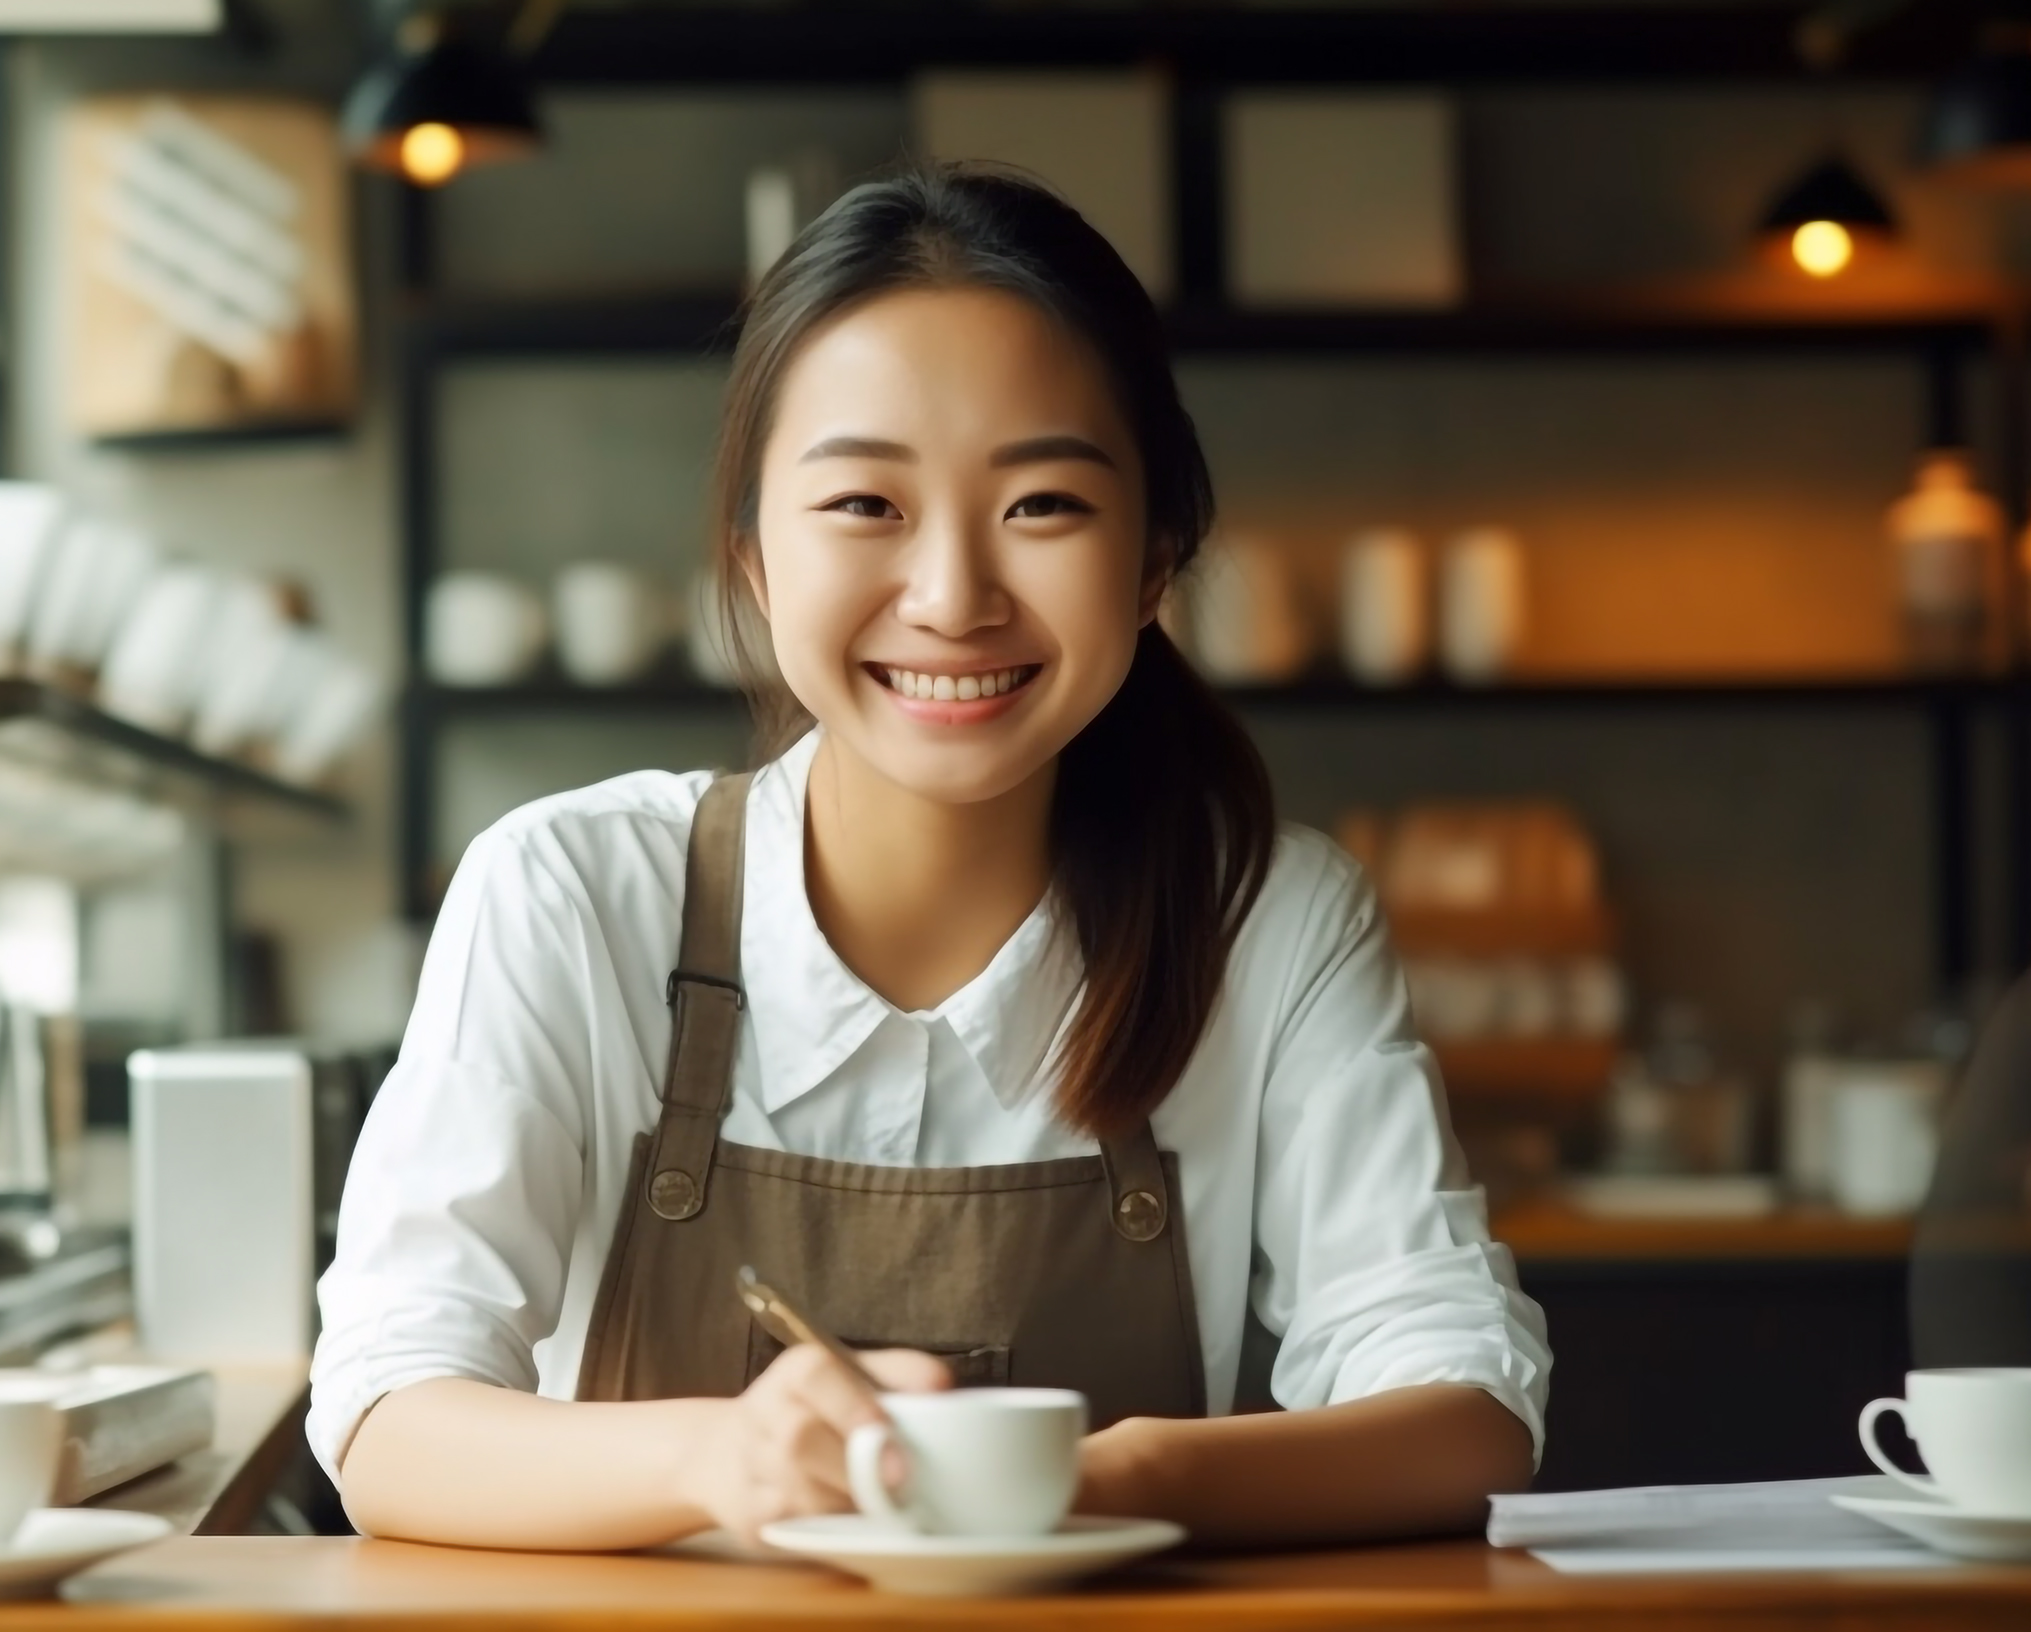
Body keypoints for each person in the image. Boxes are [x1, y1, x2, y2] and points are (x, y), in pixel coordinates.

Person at [314, 164, 1551, 1552]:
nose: (953, 596)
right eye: (865, 506)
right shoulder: (568, 892)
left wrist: (1105, 1478)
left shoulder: (1265, 914)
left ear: (1155, 563)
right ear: (756, 565)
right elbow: (389, 1420)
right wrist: (729, 1458)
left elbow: (1464, 1406)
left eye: (1044, 506)